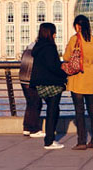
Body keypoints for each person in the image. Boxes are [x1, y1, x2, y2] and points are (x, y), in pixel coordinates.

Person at [63, 14, 93, 150]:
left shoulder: (75, 39)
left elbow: (66, 56)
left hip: (77, 79)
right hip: (90, 78)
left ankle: (81, 141)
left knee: (79, 111)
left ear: (77, 26)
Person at [30, 22, 68, 150]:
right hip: (52, 83)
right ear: (51, 33)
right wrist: (64, 75)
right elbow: (53, 66)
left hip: (40, 84)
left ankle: (49, 139)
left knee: (53, 110)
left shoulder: (38, 47)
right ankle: (49, 141)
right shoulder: (50, 47)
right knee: (53, 111)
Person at [18, 39, 43, 137]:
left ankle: (27, 127)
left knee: (30, 103)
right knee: (36, 103)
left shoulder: (28, 48)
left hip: (23, 78)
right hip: (31, 79)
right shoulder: (38, 49)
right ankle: (34, 129)